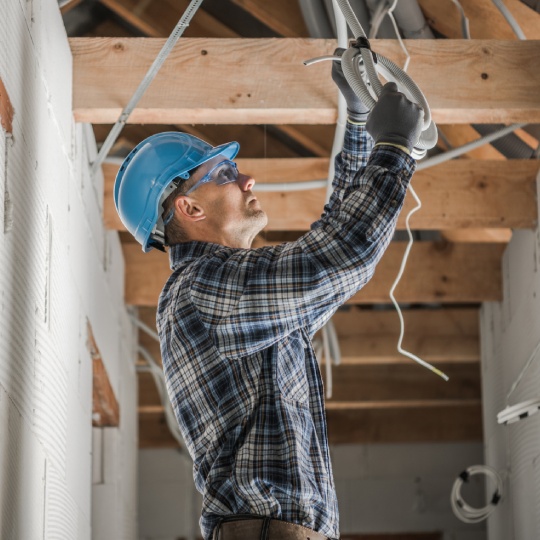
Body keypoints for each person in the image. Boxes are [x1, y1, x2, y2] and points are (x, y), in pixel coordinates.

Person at [114, 53, 424, 540]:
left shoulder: (230, 295)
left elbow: (333, 241)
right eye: (224, 175)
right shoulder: (202, 289)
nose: (246, 180)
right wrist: (395, 148)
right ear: (189, 206)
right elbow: (342, 255)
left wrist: (362, 126)